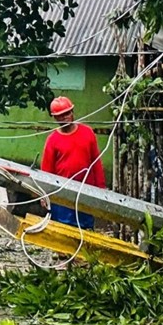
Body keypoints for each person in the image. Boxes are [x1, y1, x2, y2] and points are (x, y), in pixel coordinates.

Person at [41, 96, 106, 230]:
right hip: (62, 193)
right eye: (61, 115)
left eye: (67, 113)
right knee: (62, 229)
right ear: (55, 118)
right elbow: (46, 171)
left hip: (86, 191)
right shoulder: (52, 140)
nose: (65, 117)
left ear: (72, 112)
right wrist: (44, 194)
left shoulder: (87, 132)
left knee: (85, 228)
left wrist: (101, 189)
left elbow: (96, 162)